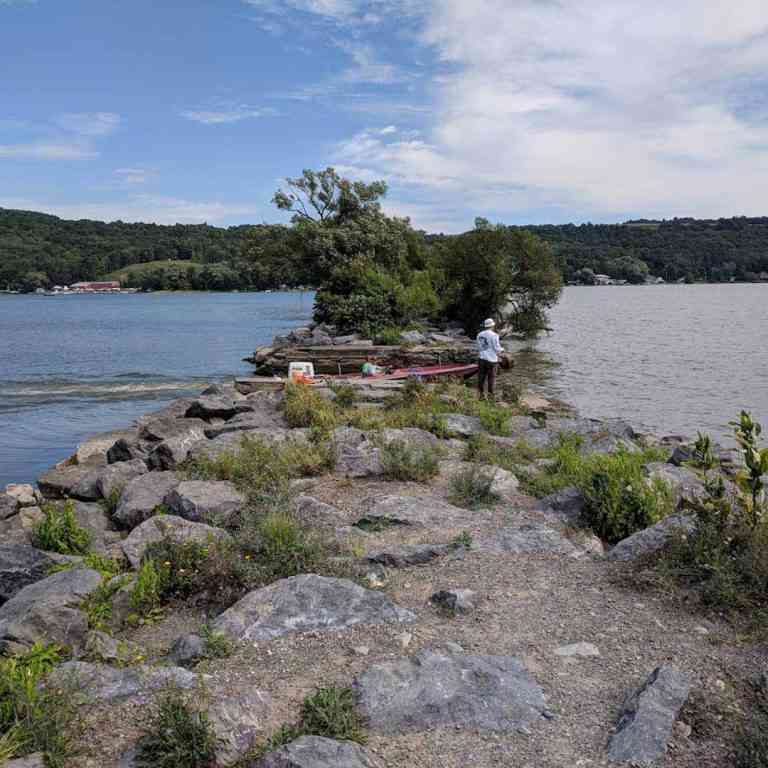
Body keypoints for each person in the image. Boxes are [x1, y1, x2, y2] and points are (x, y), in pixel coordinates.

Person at [476, 317, 503, 399]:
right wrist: (502, 352)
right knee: (491, 379)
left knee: (481, 377)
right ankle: (491, 397)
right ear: (492, 326)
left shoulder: (479, 335)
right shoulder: (495, 335)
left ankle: (481, 396)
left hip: (481, 359)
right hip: (492, 360)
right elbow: (497, 348)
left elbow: (479, 347)